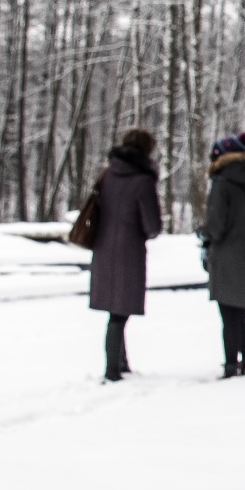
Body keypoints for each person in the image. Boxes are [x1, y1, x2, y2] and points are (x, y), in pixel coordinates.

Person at [89, 127, 162, 382]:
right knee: (119, 313)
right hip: (129, 250)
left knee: (116, 310)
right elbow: (153, 224)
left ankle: (121, 362)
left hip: (103, 247)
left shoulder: (107, 173)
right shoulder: (143, 180)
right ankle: (113, 369)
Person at [203, 131, 245, 378]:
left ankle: (231, 364)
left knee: (228, 314)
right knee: (241, 314)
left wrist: (204, 234)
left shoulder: (221, 187)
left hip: (227, 256)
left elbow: (216, 226)